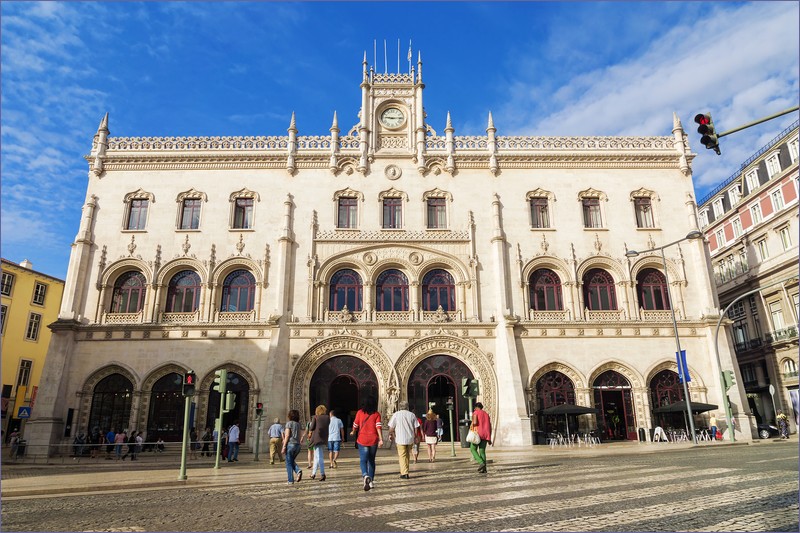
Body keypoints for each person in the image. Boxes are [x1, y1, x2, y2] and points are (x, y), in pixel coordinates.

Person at [351, 396, 383, 491]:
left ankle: (365, 475)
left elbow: (355, 425)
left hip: (362, 439)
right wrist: (381, 439)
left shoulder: (360, 412)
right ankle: (371, 481)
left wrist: (353, 431)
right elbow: (378, 427)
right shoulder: (376, 414)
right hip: (373, 440)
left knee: (363, 460)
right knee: (371, 461)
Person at [387, 400, 420, 479]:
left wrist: (390, 434)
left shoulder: (396, 415)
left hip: (400, 438)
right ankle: (406, 471)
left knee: (402, 456)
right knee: (407, 455)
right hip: (410, 439)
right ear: (407, 407)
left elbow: (391, 428)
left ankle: (404, 473)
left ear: (399, 407)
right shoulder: (412, 415)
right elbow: (416, 427)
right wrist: (415, 436)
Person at [281, 409, 303, 485]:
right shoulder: (298, 424)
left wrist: (284, 446)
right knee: (290, 461)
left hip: (291, 445)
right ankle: (298, 471)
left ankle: (291, 480)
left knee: (288, 463)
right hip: (297, 446)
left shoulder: (289, 423)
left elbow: (287, 435)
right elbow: (300, 435)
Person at [309, 405, 330, 481]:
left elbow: (311, 428)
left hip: (316, 438)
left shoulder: (316, 417)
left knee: (319, 456)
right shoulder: (327, 417)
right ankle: (313, 474)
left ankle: (322, 473)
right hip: (323, 438)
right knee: (316, 457)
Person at [470, 402, 492, 474]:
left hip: (477, 434)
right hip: (485, 435)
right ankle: (484, 469)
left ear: (476, 407)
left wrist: (472, 422)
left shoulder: (475, 412)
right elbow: (489, 425)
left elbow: (475, 422)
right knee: (482, 451)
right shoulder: (486, 414)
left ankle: (481, 462)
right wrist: (489, 438)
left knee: (473, 449)